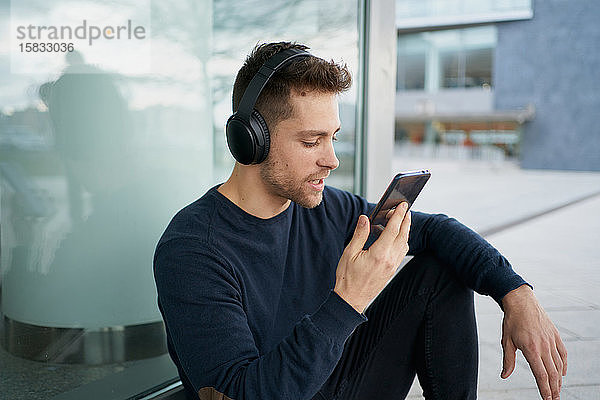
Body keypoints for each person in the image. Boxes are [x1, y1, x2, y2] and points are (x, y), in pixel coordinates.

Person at [154, 42, 567, 400]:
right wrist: (349, 299)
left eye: (333, 137)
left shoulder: (328, 208)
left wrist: (515, 293)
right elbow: (244, 393)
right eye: (311, 141)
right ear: (251, 139)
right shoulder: (192, 250)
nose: (331, 159)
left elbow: (437, 229)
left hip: (339, 382)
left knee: (439, 269)